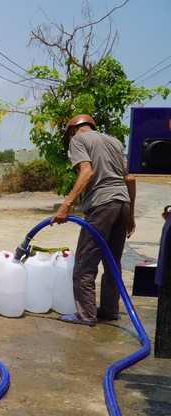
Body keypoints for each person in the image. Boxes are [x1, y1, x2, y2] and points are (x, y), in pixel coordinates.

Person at [50, 114, 136, 326]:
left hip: (101, 205)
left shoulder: (79, 140)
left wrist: (66, 204)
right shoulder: (114, 141)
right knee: (112, 263)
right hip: (122, 204)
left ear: (72, 131)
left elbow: (87, 173)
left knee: (84, 264)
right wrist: (131, 215)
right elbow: (130, 178)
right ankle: (108, 310)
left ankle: (86, 314)